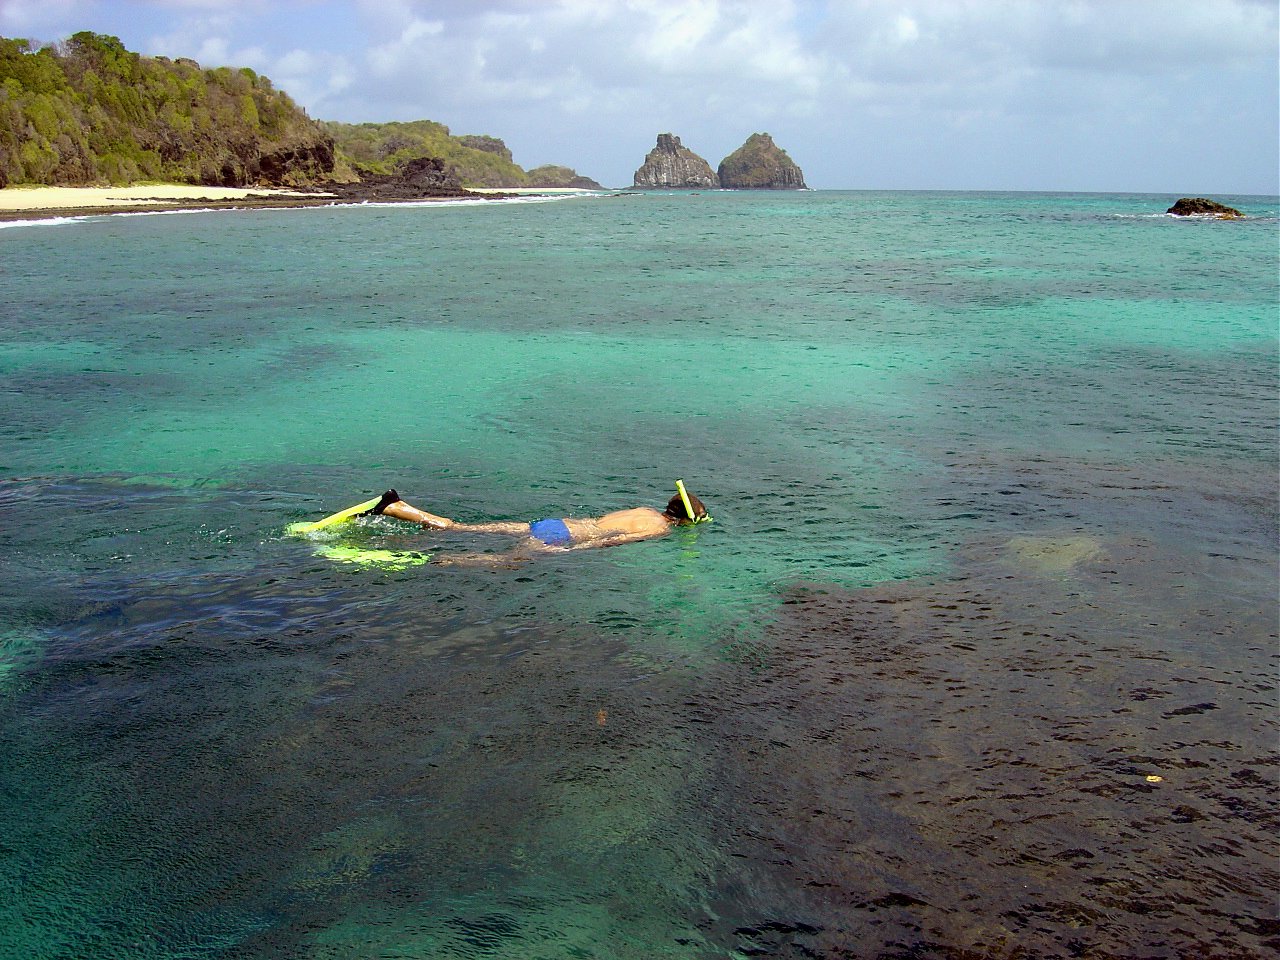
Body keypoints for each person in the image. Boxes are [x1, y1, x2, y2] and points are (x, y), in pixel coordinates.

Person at [364, 486, 709, 552]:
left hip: (555, 523)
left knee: (464, 528)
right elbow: (613, 541)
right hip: (562, 539)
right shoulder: (659, 528)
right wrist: (570, 551)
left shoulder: (644, 511)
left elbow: (607, 525)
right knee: (507, 563)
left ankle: (399, 508)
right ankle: (439, 562)